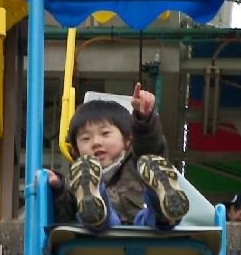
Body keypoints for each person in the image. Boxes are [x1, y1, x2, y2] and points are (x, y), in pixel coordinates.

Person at [48, 83, 189, 231]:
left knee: (149, 170)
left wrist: (144, 121)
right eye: (85, 138)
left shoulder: (136, 164)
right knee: (99, 216)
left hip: (146, 227)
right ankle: (95, 208)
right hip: (107, 232)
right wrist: (57, 188)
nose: (95, 142)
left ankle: (164, 204)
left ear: (128, 139)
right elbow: (64, 214)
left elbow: (150, 148)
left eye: (105, 134)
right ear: (76, 151)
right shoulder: (77, 181)